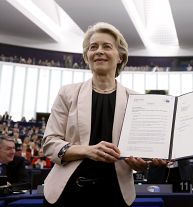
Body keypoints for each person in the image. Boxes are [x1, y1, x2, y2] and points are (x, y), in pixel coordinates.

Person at [42, 22, 166, 207]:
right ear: (87, 56)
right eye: (93, 47)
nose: (99, 51)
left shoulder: (137, 100)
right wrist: (88, 150)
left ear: (120, 56)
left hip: (115, 193)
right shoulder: (67, 93)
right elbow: (50, 144)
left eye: (107, 46)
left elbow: (140, 152)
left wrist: (142, 162)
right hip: (67, 192)